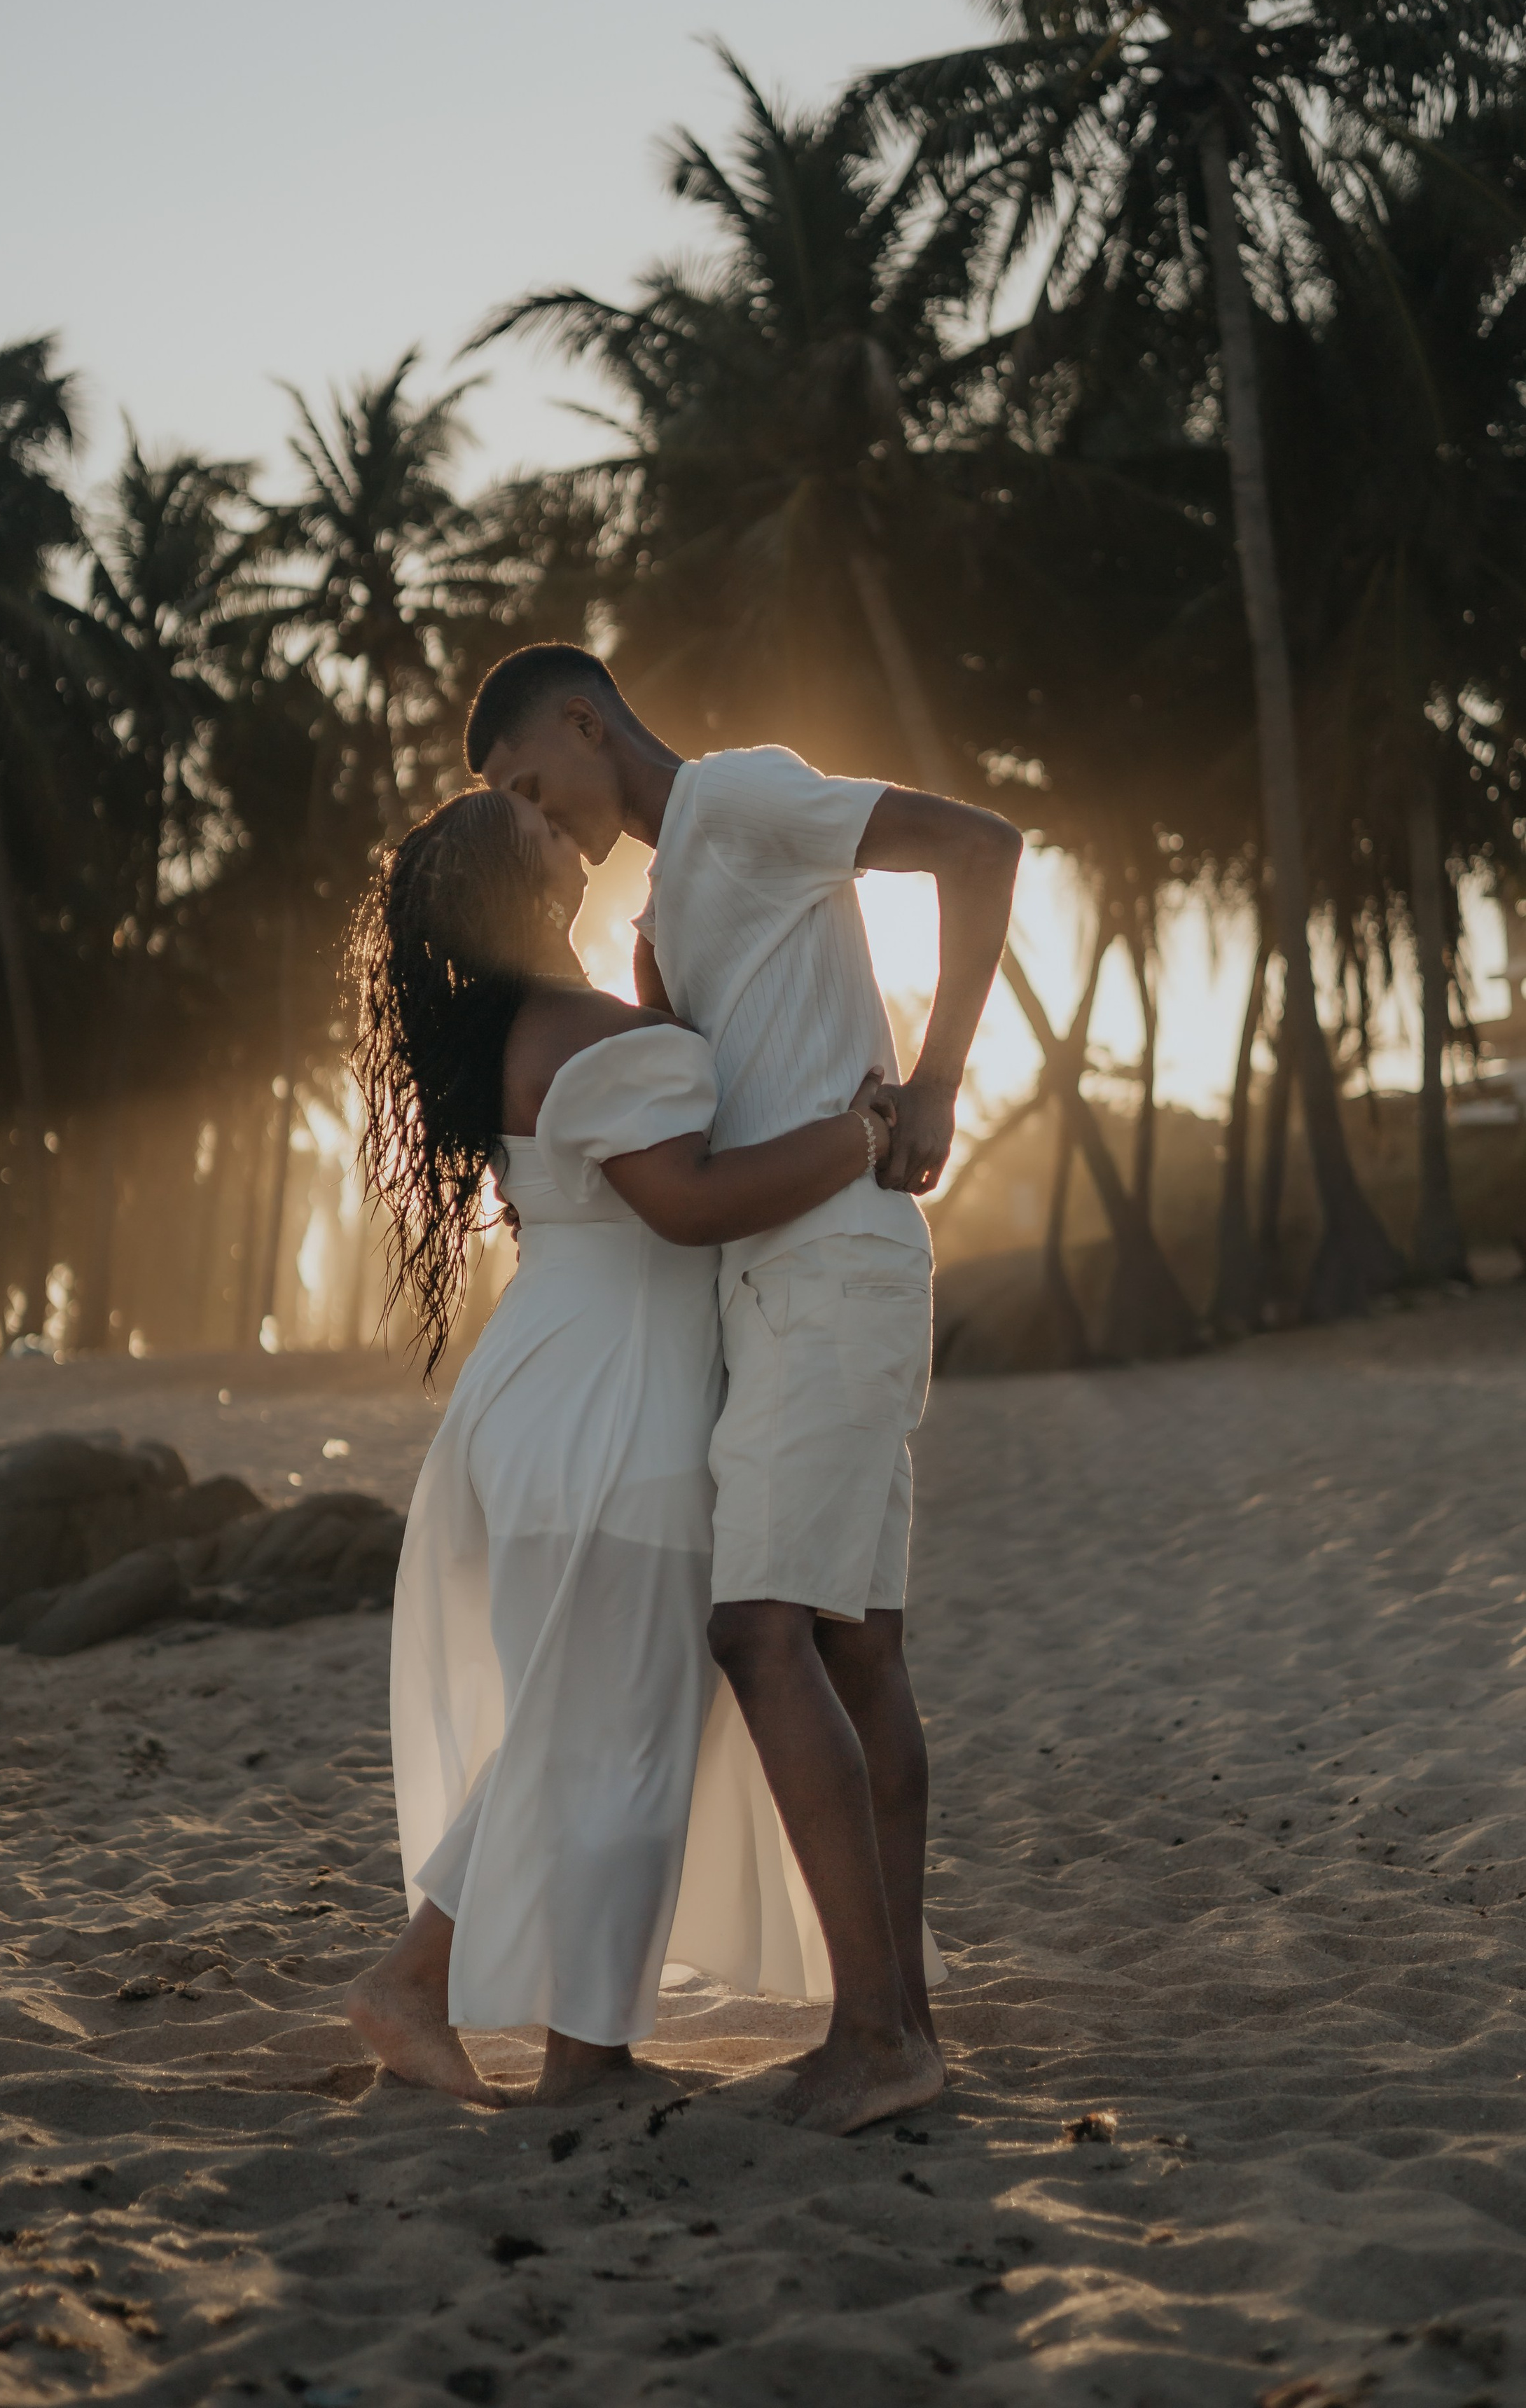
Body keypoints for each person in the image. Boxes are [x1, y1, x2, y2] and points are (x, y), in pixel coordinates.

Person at [470, 644, 1022, 2134]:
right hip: (810, 1278)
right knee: (853, 1650)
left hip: (821, 1272)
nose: (535, 818)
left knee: (757, 1632)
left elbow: (977, 848)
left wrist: (940, 1082)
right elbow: (733, 1085)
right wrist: (665, 994)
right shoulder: (674, 893)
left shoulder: (741, 800)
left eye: (530, 780)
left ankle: (875, 2032)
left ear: (586, 724)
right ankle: (892, 2026)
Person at [343, 783, 904, 2108]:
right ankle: (549, 2041)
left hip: (559, 1392)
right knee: (620, 1737)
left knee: (590, 1723)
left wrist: (656, 1000)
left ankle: (469, 1998)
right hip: (613, 1411)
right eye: (531, 823)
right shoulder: (580, 1032)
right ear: (512, 885)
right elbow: (693, 1207)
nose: (555, 816)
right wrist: (864, 1133)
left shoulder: (543, 1028)